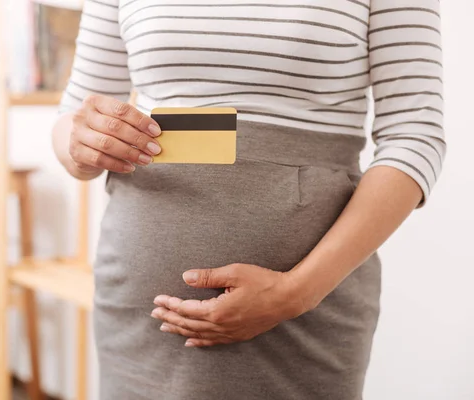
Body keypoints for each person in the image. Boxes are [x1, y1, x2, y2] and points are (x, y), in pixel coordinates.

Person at [51, 1, 445, 399]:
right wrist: (83, 142)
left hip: (306, 315)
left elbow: (415, 134)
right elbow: (75, 114)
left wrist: (295, 293)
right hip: (142, 317)